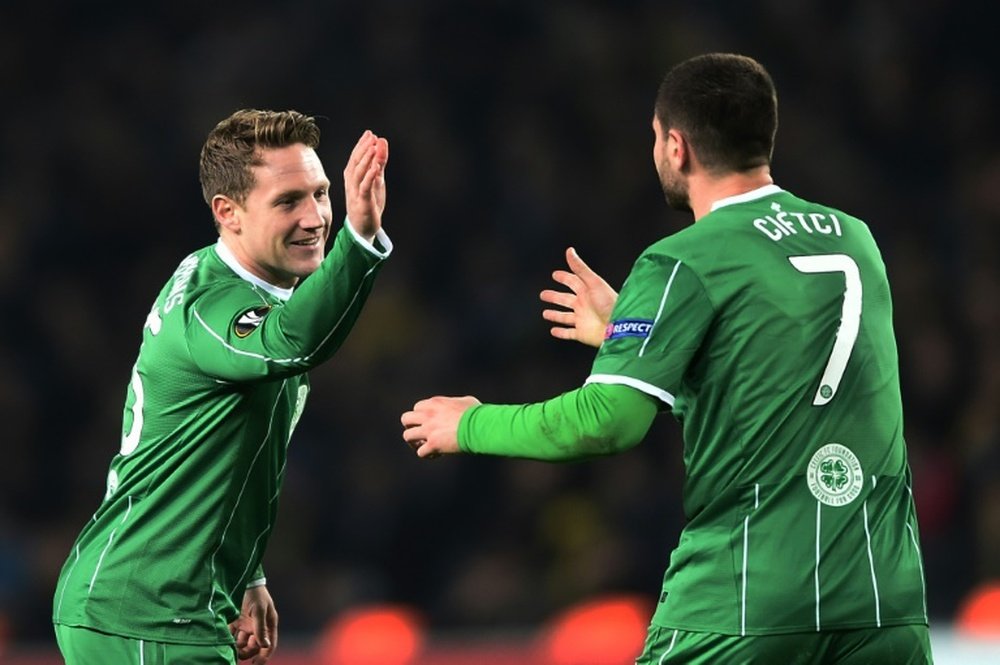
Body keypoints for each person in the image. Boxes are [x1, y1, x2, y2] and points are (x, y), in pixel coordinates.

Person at [402, 53, 933, 663]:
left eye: (654, 137)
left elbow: (607, 422)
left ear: (676, 146)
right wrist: (630, 345)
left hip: (745, 602)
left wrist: (469, 423)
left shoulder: (681, 261)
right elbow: (777, 392)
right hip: (882, 601)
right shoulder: (855, 238)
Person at [53, 109, 392, 664]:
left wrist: (244, 573)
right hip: (146, 613)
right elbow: (294, 342)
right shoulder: (211, 307)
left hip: (163, 606)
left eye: (322, 194)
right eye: (288, 202)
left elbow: (231, 459)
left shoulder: (248, 290)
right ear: (228, 213)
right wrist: (359, 237)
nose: (316, 218)